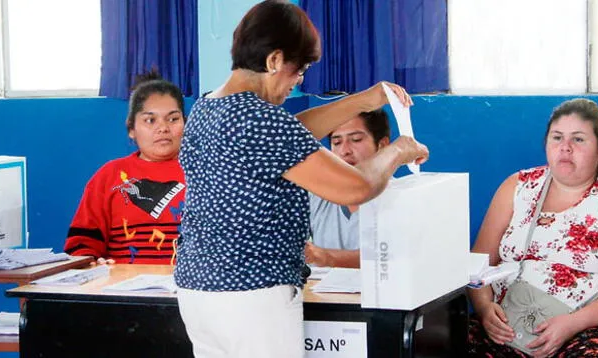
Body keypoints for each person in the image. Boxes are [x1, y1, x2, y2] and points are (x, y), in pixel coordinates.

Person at [173, 1, 429, 357]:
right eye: (300, 71)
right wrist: (399, 151)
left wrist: (365, 100)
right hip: (253, 297)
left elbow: (294, 134)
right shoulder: (263, 121)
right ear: (275, 60)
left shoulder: (206, 108)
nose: (298, 82)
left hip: (198, 292)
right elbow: (357, 186)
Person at [468, 98, 598, 358]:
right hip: (508, 323)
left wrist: (573, 323)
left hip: (583, 329)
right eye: (557, 138)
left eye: (578, 139)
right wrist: (484, 308)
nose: (565, 148)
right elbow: (477, 263)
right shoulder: (517, 186)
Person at [64, 72, 186, 265]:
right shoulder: (109, 175)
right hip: (120, 289)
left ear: (185, 124)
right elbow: (81, 245)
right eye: (150, 120)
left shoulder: (203, 172)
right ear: (131, 129)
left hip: (190, 290)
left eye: (173, 119)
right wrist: (91, 263)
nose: (163, 128)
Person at [306, 109, 391, 268]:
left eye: (356, 140)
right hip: (321, 292)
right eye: (336, 143)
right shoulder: (315, 195)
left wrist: (328, 257)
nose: (344, 151)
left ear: (382, 145)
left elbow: (396, 256)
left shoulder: (401, 198)